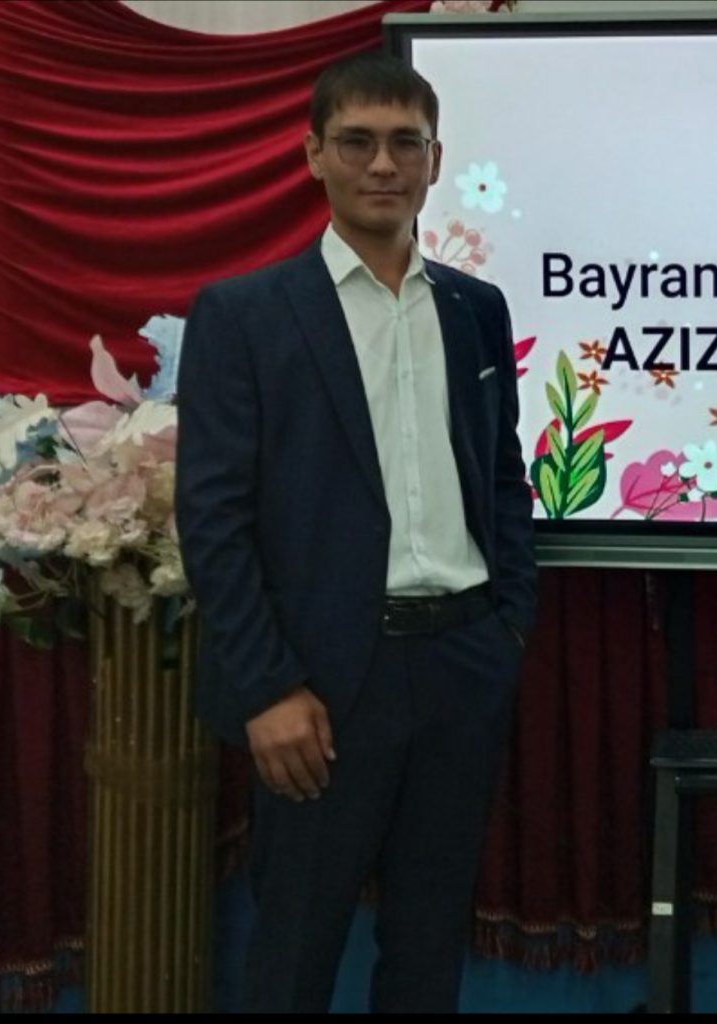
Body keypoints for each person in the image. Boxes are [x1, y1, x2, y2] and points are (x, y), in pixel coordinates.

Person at [175, 51, 538, 1014]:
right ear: (312, 155)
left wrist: (504, 628)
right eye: (358, 142)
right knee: (294, 946)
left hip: (461, 663)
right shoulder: (246, 314)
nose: (383, 164)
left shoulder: (474, 309)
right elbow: (212, 519)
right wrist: (267, 687)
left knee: (428, 948)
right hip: (321, 686)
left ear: (434, 160)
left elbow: (503, 481)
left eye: (404, 144)